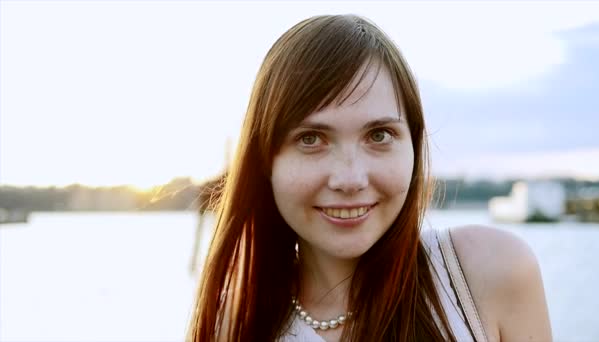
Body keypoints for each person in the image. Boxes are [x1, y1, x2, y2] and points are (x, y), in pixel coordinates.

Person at [188, 14, 552, 341]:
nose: (350, 179)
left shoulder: (486, 274)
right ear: (266, 160)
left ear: (414, 143)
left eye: (378, 135)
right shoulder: (236, 325)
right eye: (311, 139)